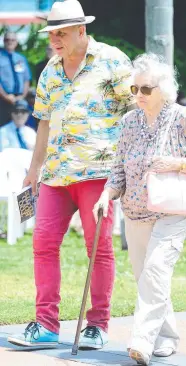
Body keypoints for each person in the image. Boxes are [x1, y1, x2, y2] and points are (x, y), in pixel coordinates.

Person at [7, 0, 134, 350]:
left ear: (82, 30)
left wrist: (128, 166)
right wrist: (33, 170)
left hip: (98, 172)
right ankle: (46, 324)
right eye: (52, 34)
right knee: (43, 243)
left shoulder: (113, 61)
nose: (55, 40)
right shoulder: (50, 69)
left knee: (99, 248)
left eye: (61, 33)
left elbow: (136, 112)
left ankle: (98, 324)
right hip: (55, 174)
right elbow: (44, 124)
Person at [93, 54, 186, 365]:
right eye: (134, 90)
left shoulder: (182, 116)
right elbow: (118, 167)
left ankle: (141, 342)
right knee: (147, 277)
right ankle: (167, 336)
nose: (138, 96)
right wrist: (106, 194)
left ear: (162, 88)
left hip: (172, 211)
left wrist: (176, 163)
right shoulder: (129, 122)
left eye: (145, 89)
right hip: (134, 211)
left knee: (156, 271)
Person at [0, 31, 32, 126]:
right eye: (7, 40)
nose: (10, 42)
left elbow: (26, 79)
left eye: (12, 40)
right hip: (3, 99)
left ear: (16, 42)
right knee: (3, 127)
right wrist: (5, 96)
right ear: (4, 41)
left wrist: (22, 96)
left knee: (21, 126)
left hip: (20, 99)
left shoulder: (20, 59)